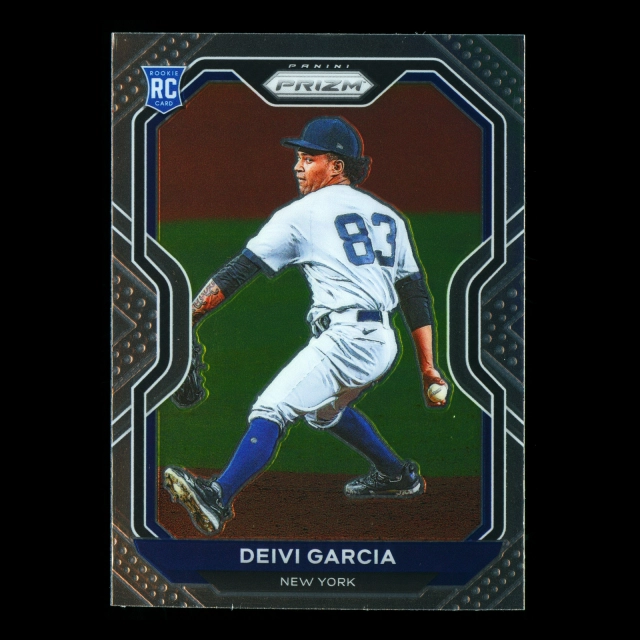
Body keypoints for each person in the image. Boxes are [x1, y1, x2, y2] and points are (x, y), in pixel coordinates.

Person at [164, 116, 448, 536]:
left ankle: (218, 496)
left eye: (307, 158)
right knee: (324, 412)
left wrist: (188, 315)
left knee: (272, 408)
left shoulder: (302, 214)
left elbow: (240, 270)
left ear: (336, 166)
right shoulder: (389, 217)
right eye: (298, 157)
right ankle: (396, 475)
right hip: (383, 344)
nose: (297, 166)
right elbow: (414, 293)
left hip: (347, 341)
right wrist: (428, 367)